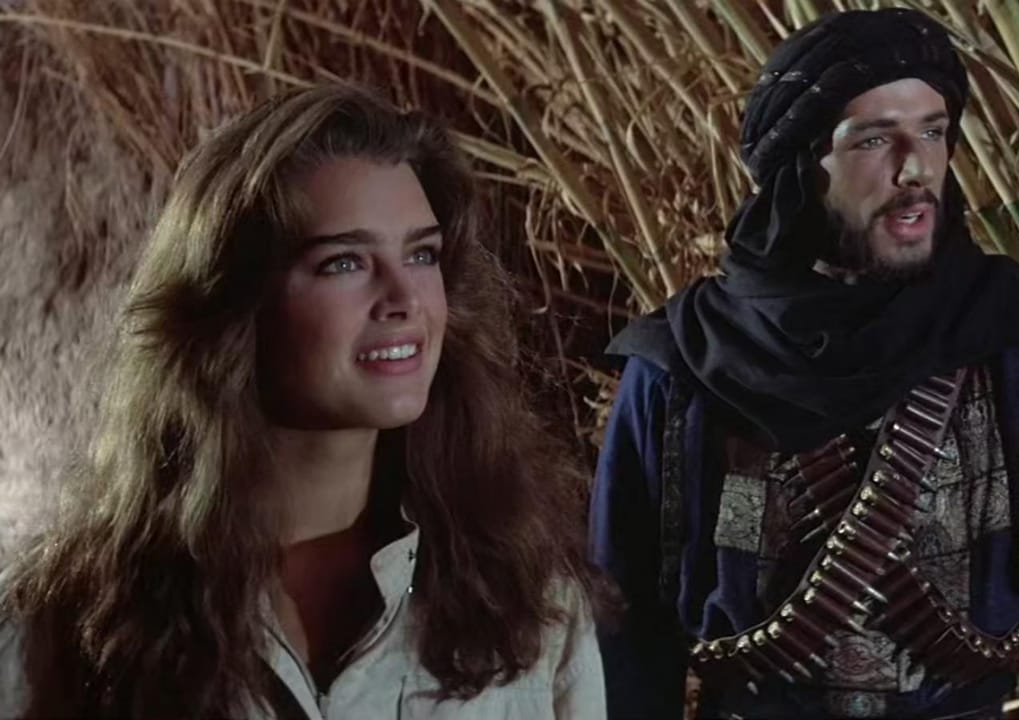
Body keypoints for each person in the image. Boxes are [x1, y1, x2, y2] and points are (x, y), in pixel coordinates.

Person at [590, 9, 1019, 720]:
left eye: (933, 132)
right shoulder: (683, 368)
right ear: (800, 164)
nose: (915, 168)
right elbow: (626, 653)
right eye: (874, 139)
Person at [0, 84, 604, 719]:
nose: (405, 298)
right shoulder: (66, 626)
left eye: (422, 254)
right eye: (344, 263)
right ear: (236, 303)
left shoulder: (529, 607)